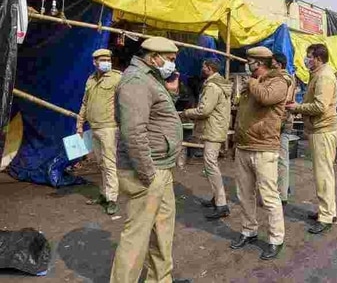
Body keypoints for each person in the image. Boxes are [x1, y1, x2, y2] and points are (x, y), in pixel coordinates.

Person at [110, 37, 188, 283]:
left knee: (162, 232)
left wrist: (172, 93)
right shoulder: (136, 81)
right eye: (171, 60)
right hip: (147, 170)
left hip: (160, 168)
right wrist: (147, 173)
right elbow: (133, 132)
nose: (173, 65)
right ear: (155, 57)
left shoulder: (151, 78)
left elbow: (157, 115)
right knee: (137, 237)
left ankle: (160, 279)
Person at [230, 46, 288, 260]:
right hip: (244, 146)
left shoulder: (279, 82)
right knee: (244, 194)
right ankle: (249, 230)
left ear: (259, 63)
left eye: (250, 62)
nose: (248, 65)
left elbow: (266, 98)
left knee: (269, 196)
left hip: (264, 147)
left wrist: (251, 83)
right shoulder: (254, 83)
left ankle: (276, 239)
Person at [287, 44, 337, 235]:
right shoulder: (319, 73)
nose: (306, 60)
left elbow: (320, 106)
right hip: (322, 129)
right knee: (325, 174)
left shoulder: (324, 76)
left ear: (318, 58)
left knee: (323, 175)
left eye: (309, 56)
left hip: (323, 131)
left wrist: (297, 108)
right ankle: (328, 211)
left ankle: (325, 216)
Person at [182, 58, 232, 220]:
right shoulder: (220, 84)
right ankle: (217, 197)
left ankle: (222, 203)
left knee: (210, 164)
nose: (202, 68)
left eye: (204, 66)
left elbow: (204, 110)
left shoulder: (212, 86)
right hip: (217, 128)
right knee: (211, 163)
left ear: (209, 68)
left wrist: (186, 113)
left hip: (213, 129)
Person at [76, 49, 122, 215]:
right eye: (102, 60)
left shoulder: (117, 78)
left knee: (109, 163)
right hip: (94, 127)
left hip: (109, 127)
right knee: (101, 163)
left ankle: (112, 199)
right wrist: (79, 124)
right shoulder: (90, 80)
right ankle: (104, 194)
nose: (106, 62)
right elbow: (84, 103)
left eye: (108, 59)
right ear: (95, 62)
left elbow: (126, 102)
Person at [272, 52, 296, 207]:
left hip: (282, 122)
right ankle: (283, 189)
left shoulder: (283, 79)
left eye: (272, 63)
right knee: (281, 159)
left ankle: (281, 194)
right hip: (284, 122)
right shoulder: (290, 78)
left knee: (281, 159)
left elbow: (284, 104)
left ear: (279, 65)